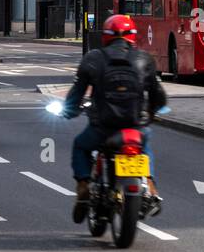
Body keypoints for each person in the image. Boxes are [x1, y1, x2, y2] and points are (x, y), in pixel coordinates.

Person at [60, 14, 167, 223]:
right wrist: (153, 112)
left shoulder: (93, 59)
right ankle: (150, 187)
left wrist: (70, 111)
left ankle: (83, 186)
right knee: (144, 147)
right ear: (133, 35)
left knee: (80, 146)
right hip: (135, 126)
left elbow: (76, 93)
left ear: (106, 36)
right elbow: (158, 95)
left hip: (103, 127)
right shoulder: (144, 59)